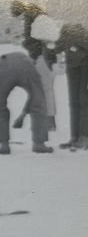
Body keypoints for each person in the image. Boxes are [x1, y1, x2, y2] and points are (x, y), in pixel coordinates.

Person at [0, 52, 51, 154]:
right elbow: (35, 98)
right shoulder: (33, 65)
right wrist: (24, 114)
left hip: (4, 66)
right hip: (26, 65)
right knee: (38, 103)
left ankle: (3, 145)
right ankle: (39, 144)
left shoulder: (0, 64)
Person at [51, 21, 88, 149]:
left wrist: (77, 47)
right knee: (73, 103)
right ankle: (74, 137)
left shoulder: (83, 26)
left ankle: (84, 137)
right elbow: (58, 46)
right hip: (72, 68)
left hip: (85, 67)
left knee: (84, 102)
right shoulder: (66, 27)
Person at [23, 38, 57, 133]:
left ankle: (48, 124)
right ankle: (47, 123)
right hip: (42, 59)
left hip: (43, 60)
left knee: (45, 94)